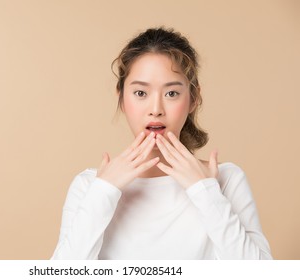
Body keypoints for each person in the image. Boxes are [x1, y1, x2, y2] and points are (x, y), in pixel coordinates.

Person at [51, 27, 272, 260]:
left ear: (194, 99)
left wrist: (204, 191)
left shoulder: (225, 180)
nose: (155, 110)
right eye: (140, 93)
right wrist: (105, 191)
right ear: (122, 99)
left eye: (172, 94)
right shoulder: (90, 186)